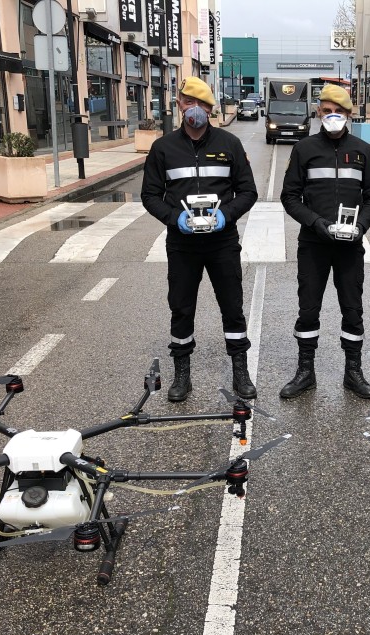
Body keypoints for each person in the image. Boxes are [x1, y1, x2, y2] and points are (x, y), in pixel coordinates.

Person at [141, 77, 259, 402]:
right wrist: (174, 218)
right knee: (181, 308)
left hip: (222, 242)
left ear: (211, 109)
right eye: (189, 101)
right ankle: (182, 375)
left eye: (203, 104)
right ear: (179, 104)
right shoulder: (163, 148)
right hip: (182, 243)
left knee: (232, 307)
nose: (196, 109)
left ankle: (240, 370)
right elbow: (150, 195)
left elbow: (248, 191)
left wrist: (226, 215)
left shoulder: (229, 144)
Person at [279, 84, 370, 399]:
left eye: (339, 112)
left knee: (352, 309)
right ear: (319, 112)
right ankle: (305, 371)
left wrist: (361, 226)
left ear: (349, 114)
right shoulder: (304, 149)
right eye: (327, 111)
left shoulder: (363, 150)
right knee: (308, 308)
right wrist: (316, 223)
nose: (333, 116)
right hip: (314, 244)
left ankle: (353, 372)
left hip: (350, 245)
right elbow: (290, 196)